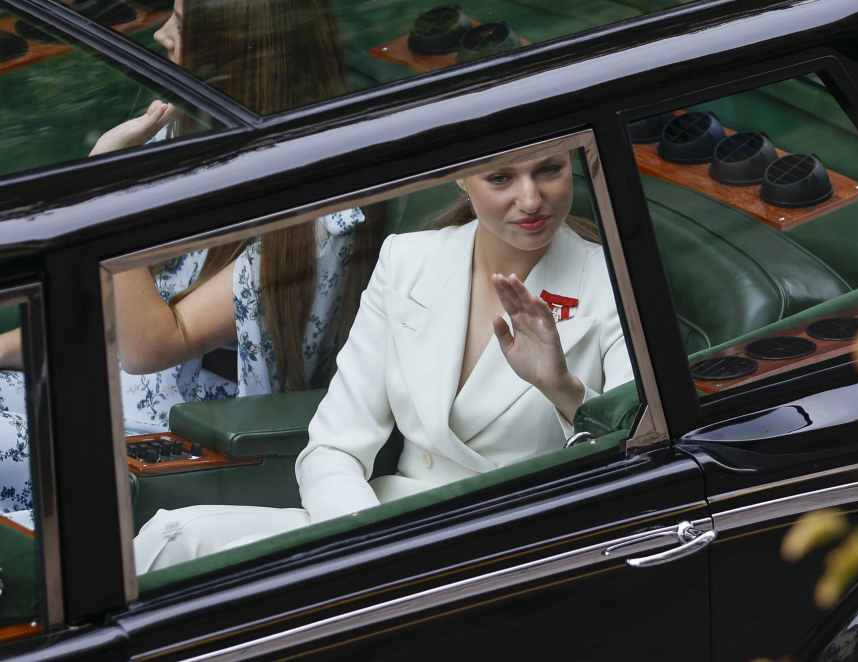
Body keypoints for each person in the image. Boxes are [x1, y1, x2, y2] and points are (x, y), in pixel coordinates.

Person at [133, 150, 633, 572]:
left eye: (548, 170)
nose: (530, 200)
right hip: (381, 522)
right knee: (172, 539)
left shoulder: (613, 284)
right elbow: (333, 447)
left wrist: (560, 386)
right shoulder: (408, 261)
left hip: (504, 547)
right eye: (500, 178)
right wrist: (367, 547)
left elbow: (637, 459)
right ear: (460, 175)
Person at [0, 0, 372, 519]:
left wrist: (108, 185)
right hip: (103, 389)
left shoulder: (314, 220)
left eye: (181, 21)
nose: (160, 35)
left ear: (234, 47)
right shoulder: (195, 134)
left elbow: (148, 345)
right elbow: (105, 315)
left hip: (182, 439)